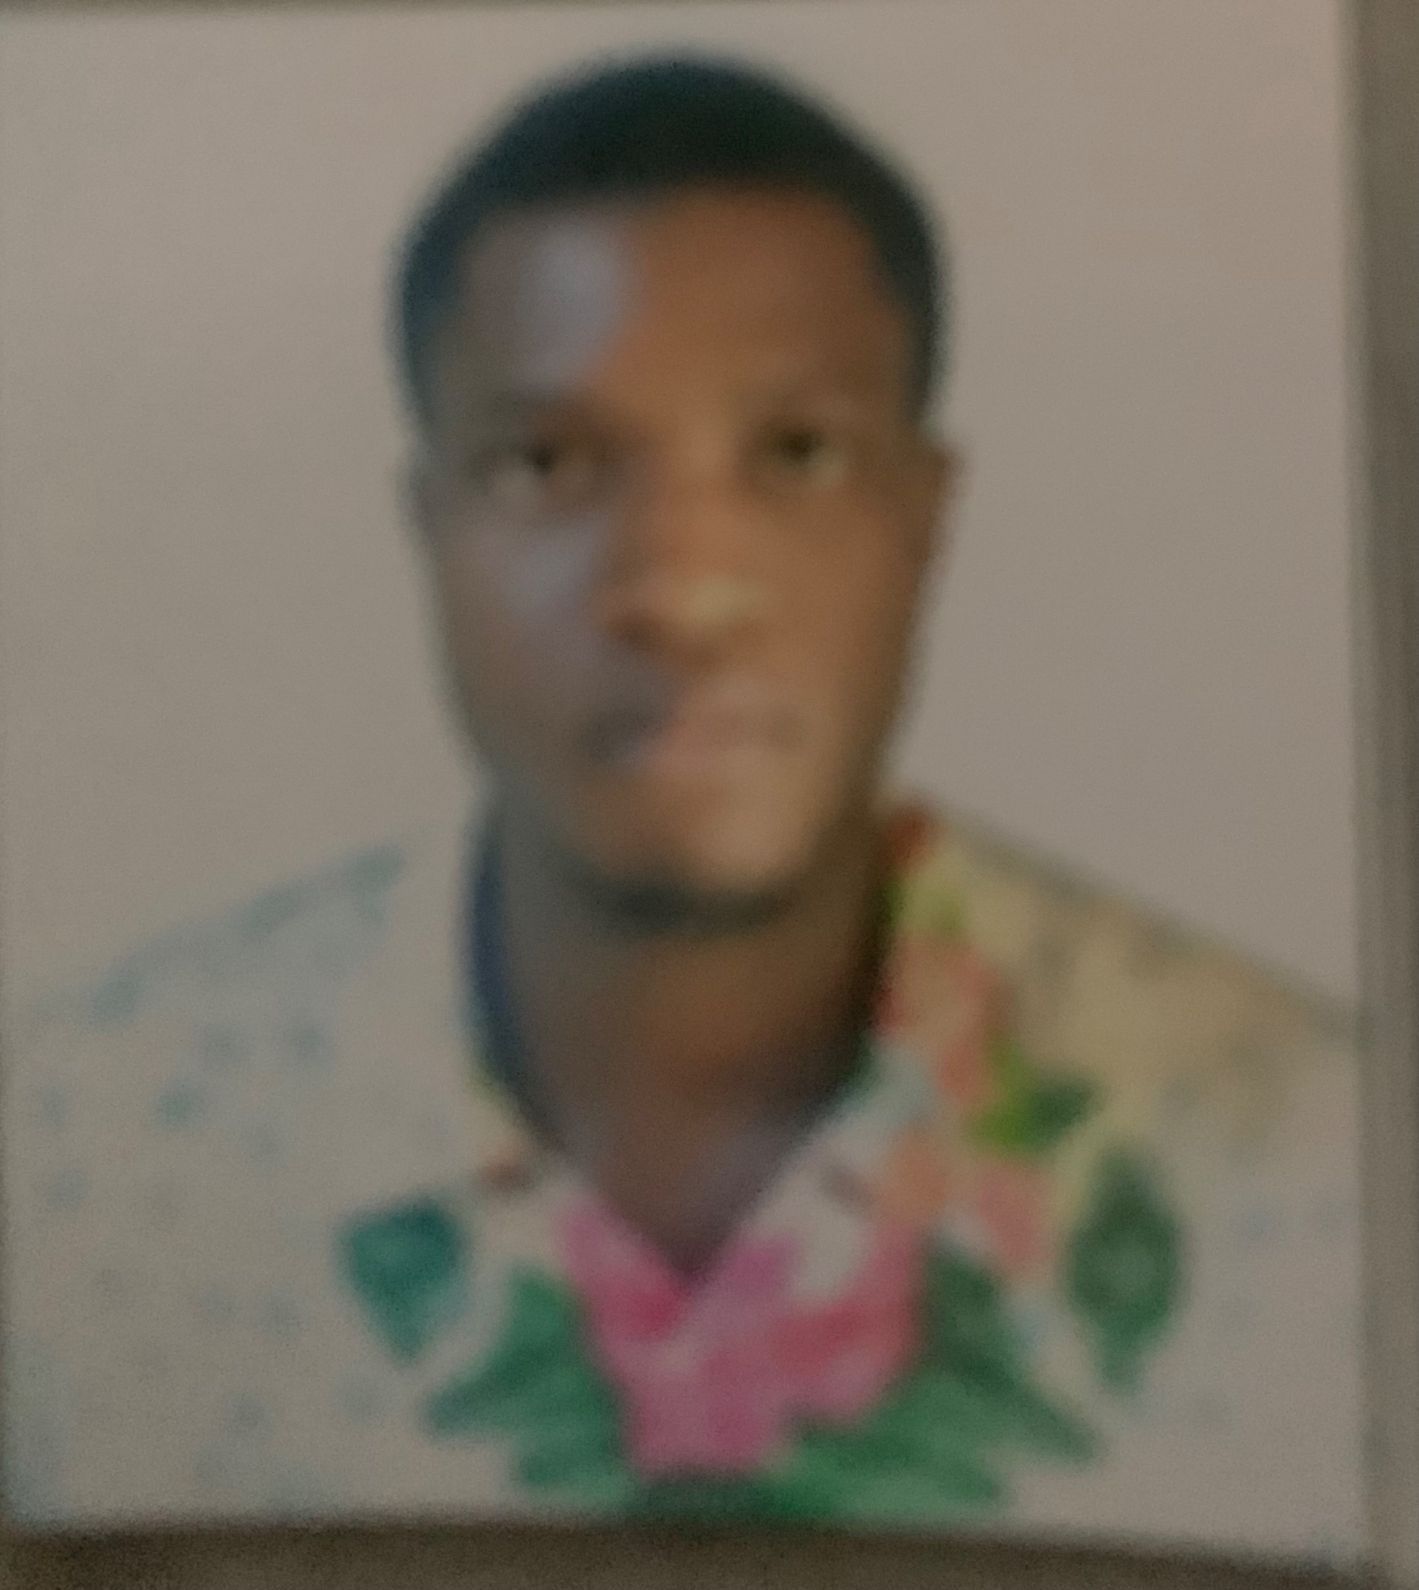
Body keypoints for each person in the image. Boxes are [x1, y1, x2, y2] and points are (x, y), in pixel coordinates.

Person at [10, 54, 1365, 1548]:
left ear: (924, 520)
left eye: (799, 454)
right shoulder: (72, 1168)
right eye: (546, 464)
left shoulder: (1322, 1177)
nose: (680, 590)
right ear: (429, 531)